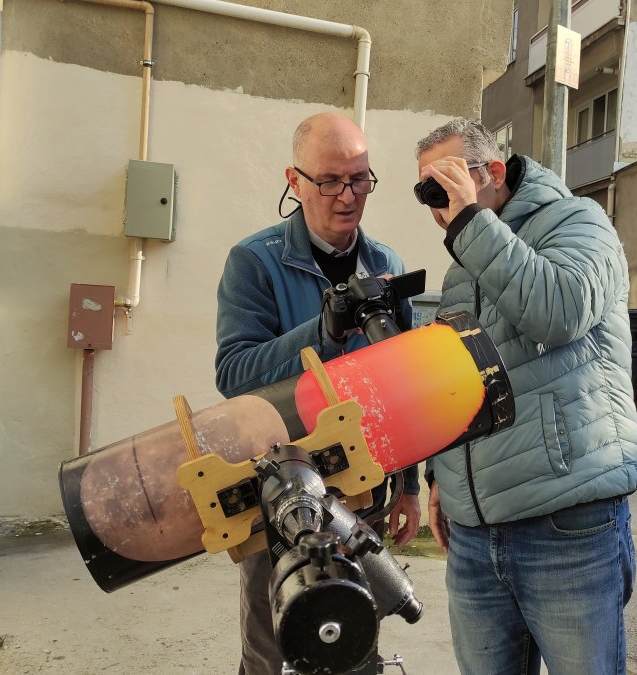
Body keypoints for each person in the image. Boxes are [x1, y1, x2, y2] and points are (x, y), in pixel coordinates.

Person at [414, 118, 637, 675]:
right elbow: (456, 380)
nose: (435, 203)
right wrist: (442, 481)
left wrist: (470, 222)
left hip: (565, 527)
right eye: (425, 188)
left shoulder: (580, 222)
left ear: (492, 172)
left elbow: (558, 310)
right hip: (475, 536)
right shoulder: (465, 262)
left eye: (442, 183)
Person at [215, 111, 422, 675]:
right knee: (272, 648)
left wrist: (408, 487)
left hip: (360, 491)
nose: (348, 195)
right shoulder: (253, 262)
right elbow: (234, 374)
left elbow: (399, 389)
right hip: (278, 492)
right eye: (330, 180)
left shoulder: (385, 266)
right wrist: (322, 334)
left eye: (360, 179)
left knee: (352, 643)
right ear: (295, 180)